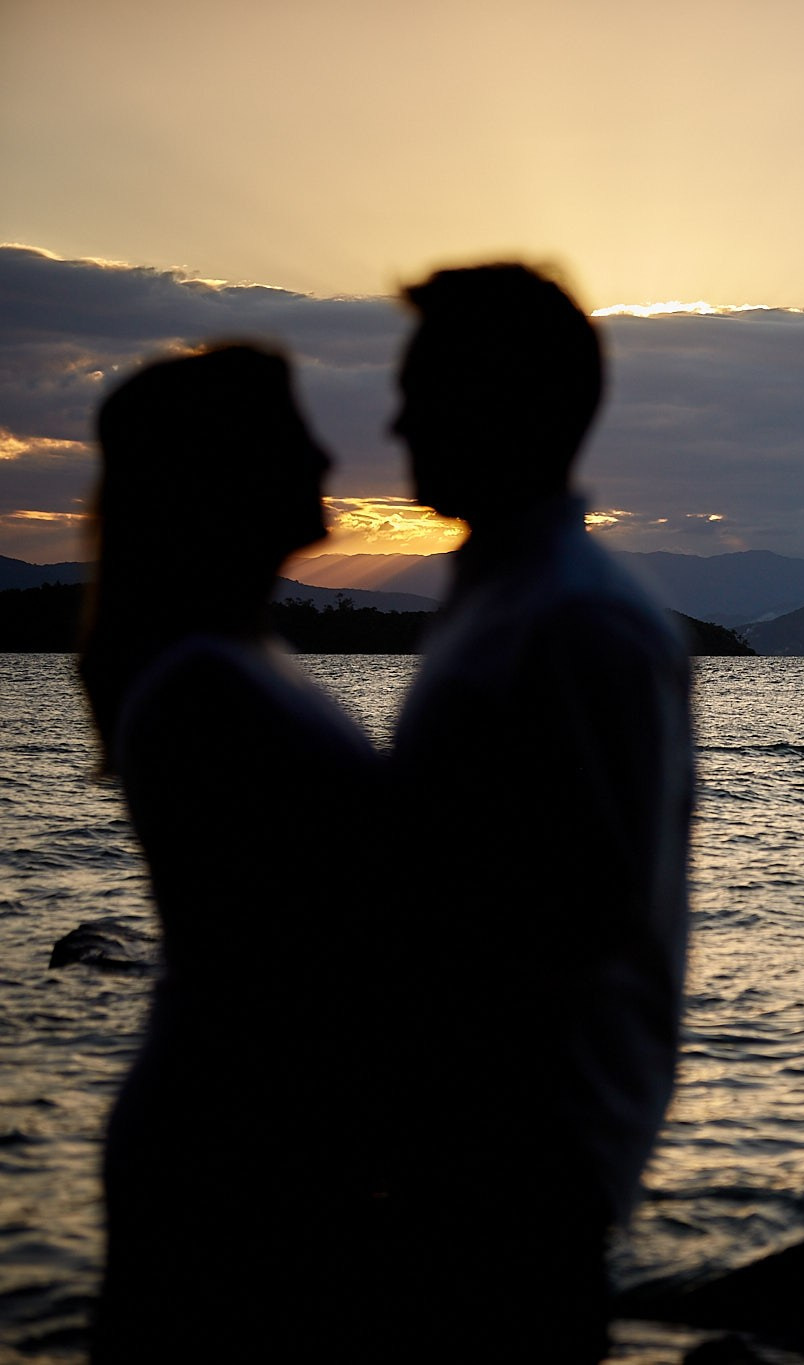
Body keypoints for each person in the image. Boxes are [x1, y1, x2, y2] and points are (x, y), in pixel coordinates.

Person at [382, 263, 695, 1362]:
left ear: (500, 400)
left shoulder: (576, 624)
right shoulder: (505, 601)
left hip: (518, 1164)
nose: (395, 414)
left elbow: (581, 915)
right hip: (472, 1154)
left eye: (420, 383)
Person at [80, 347, 387, 1362]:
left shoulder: (240, 659)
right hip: (233, 1139)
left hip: (270, 1123)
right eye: (290, 431)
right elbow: (291, 933)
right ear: (221, 473)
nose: (324, 451)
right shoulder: (203, 687)